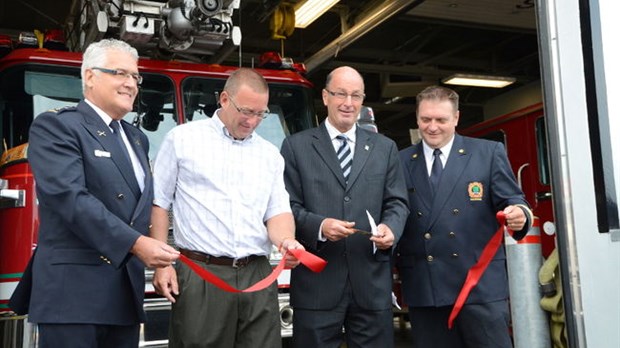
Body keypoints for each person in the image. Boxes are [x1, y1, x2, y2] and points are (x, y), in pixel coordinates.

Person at [13, 39, 180, 347]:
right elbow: (69, 198)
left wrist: (162, 260)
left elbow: (143, 206)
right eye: (120, 73)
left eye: (135, 77)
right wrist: (137, 244)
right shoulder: (56, 126)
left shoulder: (137, 138)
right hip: (73, 295)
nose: (131, 84)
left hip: (124, 294)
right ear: (90, 76)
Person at [150, 67, 304, 348]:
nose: (252, 121)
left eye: (261, 114)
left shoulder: (269, 154)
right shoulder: (183, 139)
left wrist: (287, 241)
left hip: (257, 273)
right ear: (224, 99)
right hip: (201, 272)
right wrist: (162, 264)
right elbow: (159, 202)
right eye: (246, 111)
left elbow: (277, 211)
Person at [280, 66, 409, 347]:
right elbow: (287, 206)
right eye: (340, 94)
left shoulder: (384, 147)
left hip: (371, 285)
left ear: (363, 100)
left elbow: (397, 201)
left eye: (356, 95)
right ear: (325, 97)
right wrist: (320, 226)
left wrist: (391, 228)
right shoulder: (295, 147)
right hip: (317, 287)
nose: (348, 103)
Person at [397, 85, 533, 347]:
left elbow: (514, 200)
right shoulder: (400, 161)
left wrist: (519, 214)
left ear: (456, 118)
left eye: (441, 120)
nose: (433, 127)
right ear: (417, 118)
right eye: (426, 119)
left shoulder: (487, 153)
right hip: (427, 288)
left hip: (479, 286)